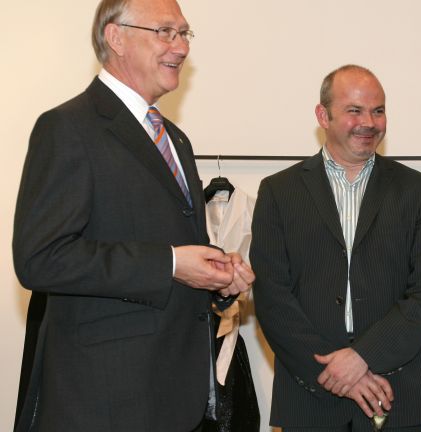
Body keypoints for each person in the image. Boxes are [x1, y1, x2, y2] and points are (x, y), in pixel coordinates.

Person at [12, 0, 254, 430]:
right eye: (165, 32)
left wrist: (216, 276)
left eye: (184, 34)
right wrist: (174, 264)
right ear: (115, 36)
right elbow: (41, 259)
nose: (180, 47)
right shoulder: (67, 127)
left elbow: (171, 248)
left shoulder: (174, 139)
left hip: (173, 397)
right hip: (105, 401)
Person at [250, 65, 421, 432]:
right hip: (310, 397)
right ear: (322, 115)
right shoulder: (278, 192)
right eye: (354, 110)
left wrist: (362, 357)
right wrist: (334, 371)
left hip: (398, 394)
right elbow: (272, 297)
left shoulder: (417, 190)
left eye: (378, 110)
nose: (369, 122)